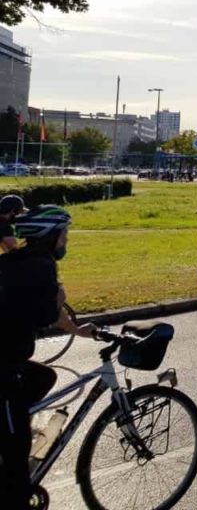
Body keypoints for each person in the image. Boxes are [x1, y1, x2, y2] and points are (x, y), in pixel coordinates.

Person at [0, 206, 96, 508]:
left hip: (10, 360)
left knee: (43, 376)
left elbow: (52, 314)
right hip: (2, 365)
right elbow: (46, 313)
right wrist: (59, 299)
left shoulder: (20, 261)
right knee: (16, 454)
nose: (66, 240)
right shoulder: (39, 267)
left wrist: (78, 330)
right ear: (51, 236)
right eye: (64, 234)